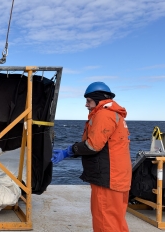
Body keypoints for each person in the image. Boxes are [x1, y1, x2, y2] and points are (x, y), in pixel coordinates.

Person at [51, 82, 132, 232]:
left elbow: (93, 146)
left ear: (99, 99)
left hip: (107, 179)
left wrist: (69, 151)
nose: (86, 105)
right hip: (119, 177)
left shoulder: (103, 114)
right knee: (116, 221)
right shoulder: (116, 115)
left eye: (88, 101)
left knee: (105, 222)